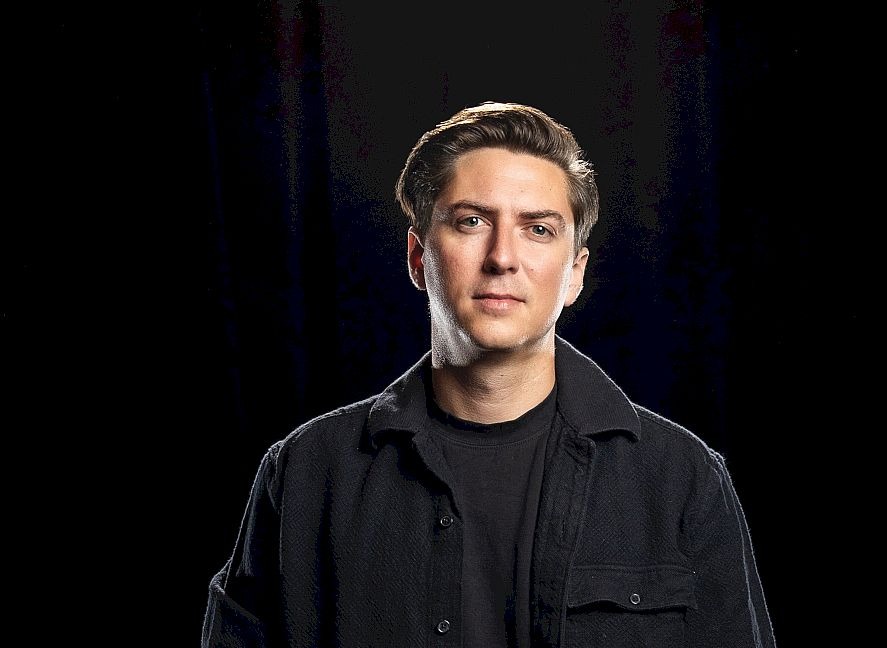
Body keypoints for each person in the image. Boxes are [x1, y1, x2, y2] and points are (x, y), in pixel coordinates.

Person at [201, 101, 776, 647]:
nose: (502, 256)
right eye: (472, 221)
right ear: (418, 257)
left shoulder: (681, 479)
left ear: (575, 273)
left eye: (538, 229)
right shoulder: (305, 473)